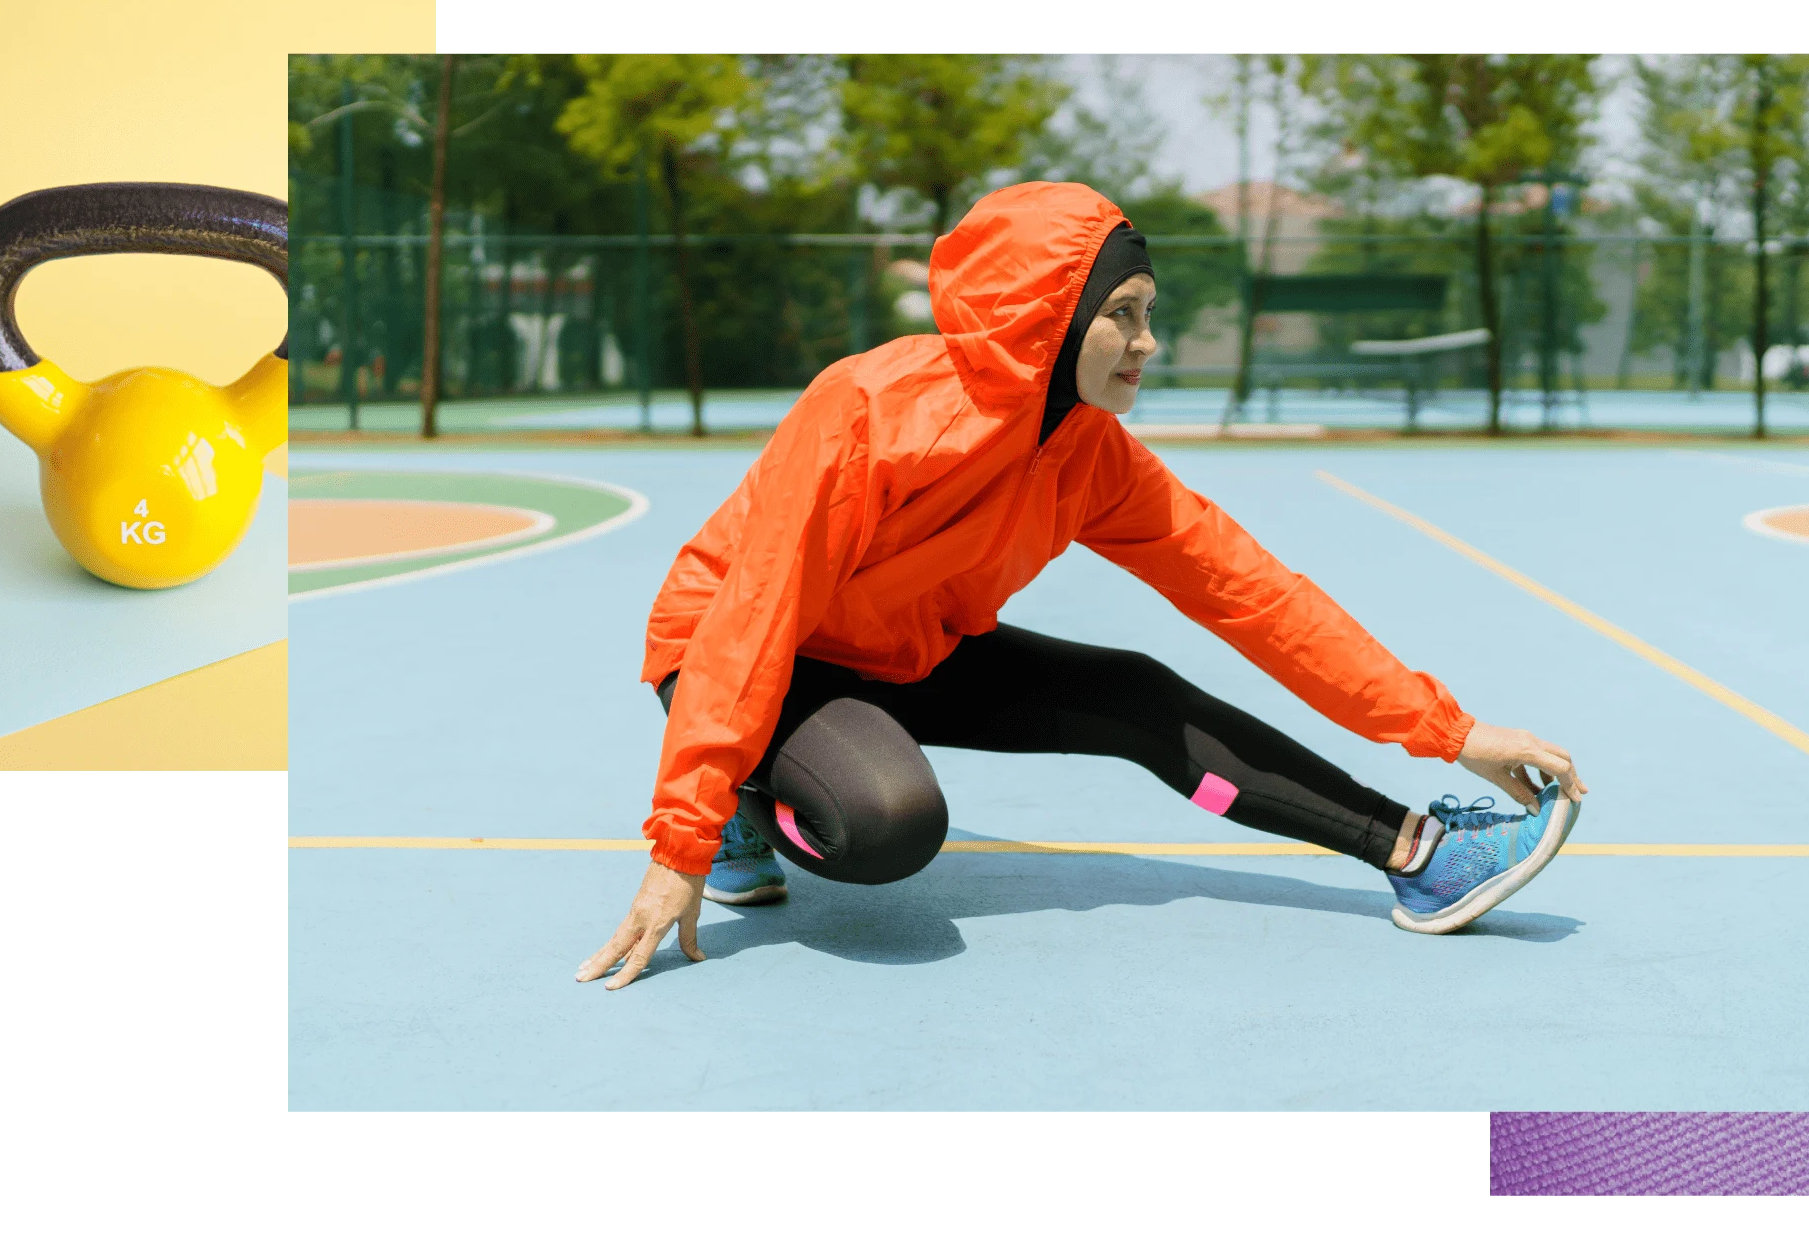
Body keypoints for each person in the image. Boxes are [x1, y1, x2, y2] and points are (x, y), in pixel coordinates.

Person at [579, 182, 1587, 991]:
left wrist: (1445, 729)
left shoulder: (1090, 455)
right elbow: (755, 614)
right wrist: (680, 841)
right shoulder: (864, 409)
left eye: (1149, 313)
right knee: (888, 824)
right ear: (1045, 322)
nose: (1148, 342)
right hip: (743, 647)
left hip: (901, 649)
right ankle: (748, 803)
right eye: (1123, 315)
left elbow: (1254, 595)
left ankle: (1416, 855)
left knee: (1134, 692)